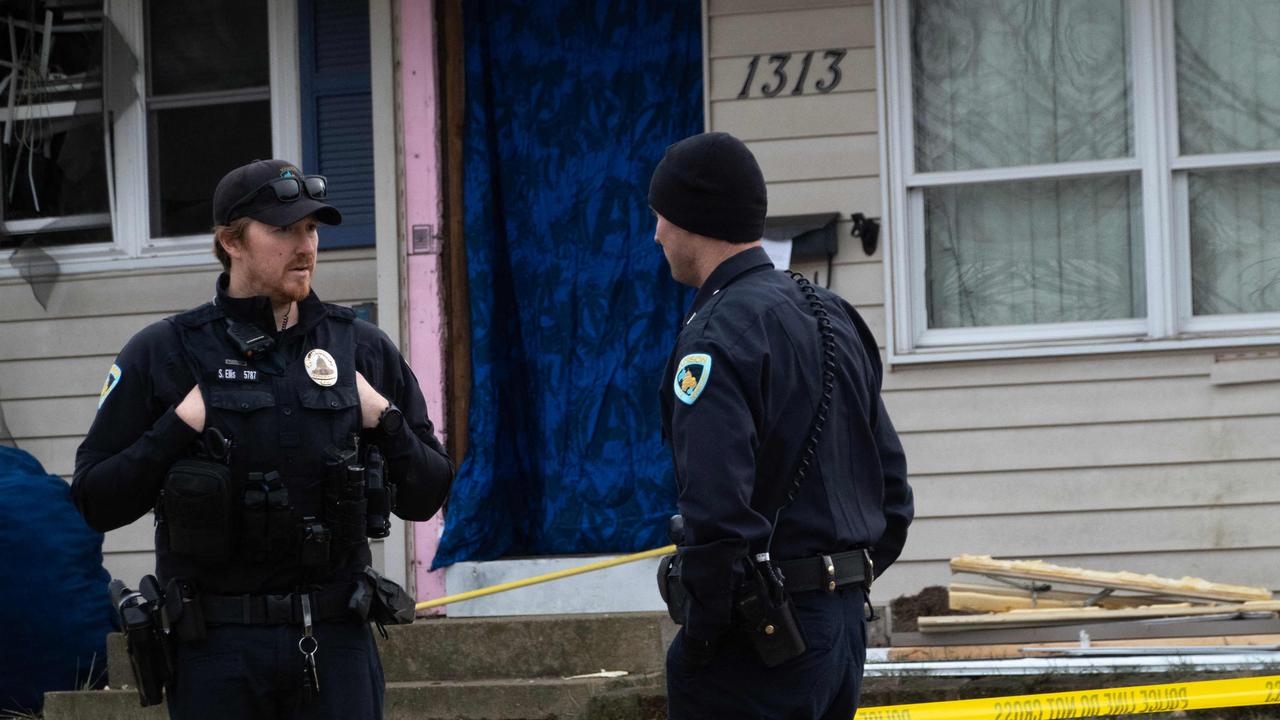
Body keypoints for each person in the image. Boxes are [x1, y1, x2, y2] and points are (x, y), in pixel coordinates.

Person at [73, 159, 454, 720]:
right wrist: (176, 427)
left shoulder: (362, 349)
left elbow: (429, 495)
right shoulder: (164, 352)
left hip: (335, 641)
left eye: (312, 229)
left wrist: (387, 420)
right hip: (217, 648)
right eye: (283, 230)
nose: (305, 246)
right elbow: (94, 499)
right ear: (231, 241)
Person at [650, 132, 914, 719]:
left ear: (694, 218)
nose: (657, 235)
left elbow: (716, 507)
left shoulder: (715, 335)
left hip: (761, 641)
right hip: (840, 630)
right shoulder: (834, 315)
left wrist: (703, 634)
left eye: (661, 217)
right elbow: (891, 492)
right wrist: (841, 587)